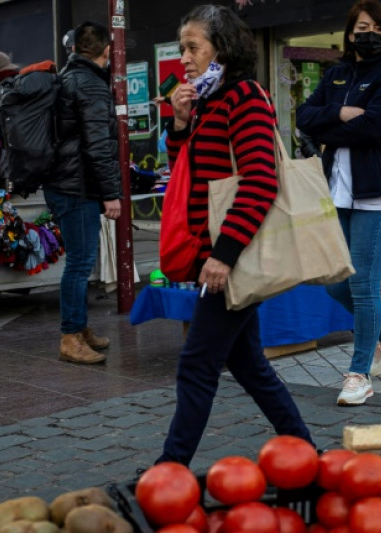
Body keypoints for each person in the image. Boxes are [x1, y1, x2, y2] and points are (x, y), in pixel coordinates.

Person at [158, 4, 314, 465]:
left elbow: (261, 180)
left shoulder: (243, 96)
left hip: (233, 255)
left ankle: (170, 470)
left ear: (221, 48)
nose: (184, 58)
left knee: (197, 365)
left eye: (193, 47)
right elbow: (186, 176)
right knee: (249, 366)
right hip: (221, 253)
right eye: (182, 47)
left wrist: (223, 256)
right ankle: (309, 453)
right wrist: (181, 125)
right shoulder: (208, 101)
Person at [296, 0, 381, 405]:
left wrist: (330, 129)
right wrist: (342, 112)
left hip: (380, 196)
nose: (369, 34)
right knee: (333, 285)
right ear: (349, 33)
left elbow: (378, 127)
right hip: (340, 195)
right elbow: (303, 114)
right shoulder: (337, 74)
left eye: (378, 29)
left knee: (363, 286)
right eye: (362, 27)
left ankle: (359, 373)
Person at [43, 21, 122, 365]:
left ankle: (80, 327)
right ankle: (71, 336)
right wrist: (111, 194)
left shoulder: (67, 76)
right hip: (77, 186)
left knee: (80, 261)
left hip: (62, 183)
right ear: (106, 50)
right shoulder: (90, 83)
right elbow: (97, 146)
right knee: (78, 264)